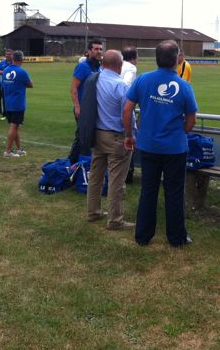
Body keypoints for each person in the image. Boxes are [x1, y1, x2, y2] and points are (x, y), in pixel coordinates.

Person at [123, 40, 197, 247]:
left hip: (148, 146)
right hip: (175, 148)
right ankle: (176, 237)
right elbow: (191, 119)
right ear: (176, 59)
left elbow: (127, 109)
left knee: (148, 190)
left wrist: (129, 134)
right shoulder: (184, 86)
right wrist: (180, 132)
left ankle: (143, 236)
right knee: (174, 193)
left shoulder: (142, 79)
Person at [82, 50, 134, 230]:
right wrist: (130, 135)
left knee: (96, 176)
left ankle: (93, 211)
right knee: (116, 181)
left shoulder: (93, 79)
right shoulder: (121, 85)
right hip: (115, 136)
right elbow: (127, 114)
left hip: (96, 134)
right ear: (119, 65)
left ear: (103, 64)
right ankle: (115, 220)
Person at [68, 39, 103, 163]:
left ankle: (87, 164)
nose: (99, 51)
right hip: (83, 108)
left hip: (94, 108)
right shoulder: (83, 66)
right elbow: (73, 88)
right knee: (82, 137)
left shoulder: (99, 66)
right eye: (96, 49)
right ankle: (71, 163)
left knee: (90, 137)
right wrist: (77, 106)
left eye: (100, 49)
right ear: (89, 51)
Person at [2, 50, 33, 157]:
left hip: (7, 102)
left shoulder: (5, 70)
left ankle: (19, 149)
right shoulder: (22, 72)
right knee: (14, 126)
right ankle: (8, 151)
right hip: (17, 103)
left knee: (14, 126)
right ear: (22, 59)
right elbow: (31, 84)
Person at [120, 45, 138, 183]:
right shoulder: (131, 68)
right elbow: (126, 85)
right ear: (133, 58)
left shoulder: (117, 64)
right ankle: (128, 174)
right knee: (129, 137)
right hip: (124, 106)